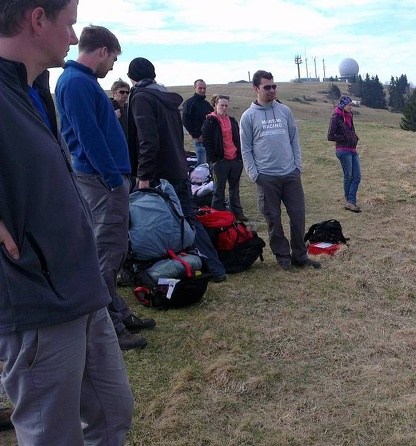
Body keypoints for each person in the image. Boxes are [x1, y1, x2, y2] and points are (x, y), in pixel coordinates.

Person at [0, 1, 134, 444]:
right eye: (70, 23)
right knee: (53, 435)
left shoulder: (33, 87)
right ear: (38, 20)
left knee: (114, 411)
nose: (75, 38)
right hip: (36, 297)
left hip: (81, 288)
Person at [55, 25, 155, 350]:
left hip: (104, 180)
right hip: (102, 182)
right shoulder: (76, 83)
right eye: (112, 58)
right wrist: (114, 180)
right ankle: (110, 327)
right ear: (102, 51)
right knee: (107, 256)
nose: (112, 66)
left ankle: (119, 313)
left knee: (114, 250)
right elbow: (89, 138)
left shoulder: (81, 82)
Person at [126, 57, 227, 282]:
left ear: (132, 78)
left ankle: (168, 267)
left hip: (160, 173)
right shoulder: (164, 97)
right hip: (178, 168)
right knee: (188, 218)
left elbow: (147, 140)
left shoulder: (142, 97)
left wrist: (143, 175)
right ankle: (212, 266)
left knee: (159, 222)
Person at [240, 70, 320, 271]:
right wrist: (255, 174)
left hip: (290, 174)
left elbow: (294, 139)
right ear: (256, 89)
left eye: (274, 86)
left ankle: (300, 255)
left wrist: (297, 166)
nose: (272, 90)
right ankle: (282, 255)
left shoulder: (285, 111)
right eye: (267, 87)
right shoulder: (248, 117)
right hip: (266, 177)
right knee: (273, 219)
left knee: (298, 215)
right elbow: (246, 149)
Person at [202, 94, 248, 221]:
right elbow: (207, 142)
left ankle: (237, 213)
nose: (224, 108)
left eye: (226, 105)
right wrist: (214, 160)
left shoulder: (232, 120)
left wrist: (239, 157)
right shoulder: (209, 121)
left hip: (234, 159)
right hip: (220, 161)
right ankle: (217, 215)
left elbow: (238, 138)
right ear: (215, 105)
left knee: (235, 188)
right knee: (218, 189)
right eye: (221, 105)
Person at [327, 95, 362, 213]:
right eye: (349, 105)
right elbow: (330, 136)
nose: (351, 107)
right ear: (343, 105)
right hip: (343, 150)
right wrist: (345, 137)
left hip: (352, 149)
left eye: (351, 105)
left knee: (357, 176)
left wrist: (354, 137)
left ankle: (350, 201)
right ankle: (350, 201)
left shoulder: (349, 116)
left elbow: (352, 130)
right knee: (348, 176)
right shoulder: (335, 117)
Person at [182, 79, 213, 165]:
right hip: (200, 140)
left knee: (210, 165)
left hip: (209, 140)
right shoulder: (189, 103)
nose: (202, 90)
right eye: (200, 88)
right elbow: (185, 120)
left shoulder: (206, 104)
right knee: (201, 165)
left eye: (204, 88)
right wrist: (196, 135)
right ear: (194, 88)